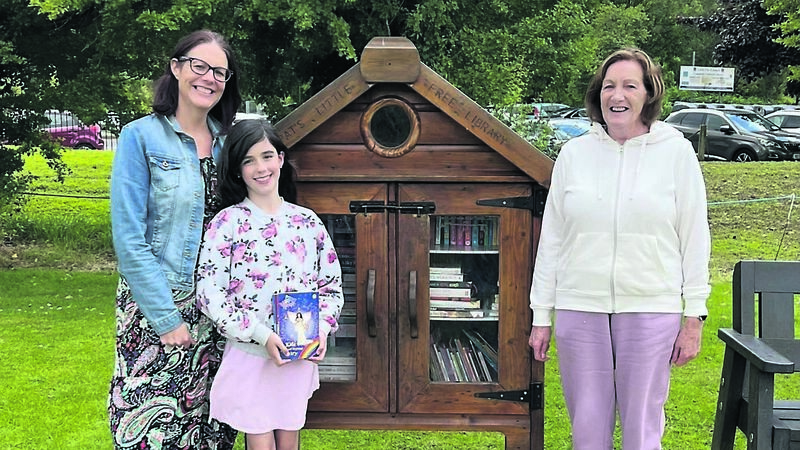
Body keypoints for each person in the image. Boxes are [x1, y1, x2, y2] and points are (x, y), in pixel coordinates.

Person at [527, 48, 710, 450]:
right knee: (588, 429)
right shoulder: (574, 154)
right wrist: (542, 314)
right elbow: (553, 238)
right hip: (580, 308)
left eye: (630, 85)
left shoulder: (676, 153)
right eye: (609, 85)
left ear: (648, 94)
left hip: (651, 308)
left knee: (642, 430)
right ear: (598, 94)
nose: (617, 94)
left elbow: (695, 236)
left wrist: (694, 315)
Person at [108, 30, 242, 450]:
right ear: (177, 68)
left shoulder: (229, 145)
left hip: (218, 308)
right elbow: (129, 237)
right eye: (199, 66)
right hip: (159, 305)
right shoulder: (141, 137)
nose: (209, 78)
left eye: (220, 72)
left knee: (213, 428)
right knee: (151, 430)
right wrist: (166, 318)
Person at [196, 119, 344, 450]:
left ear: (280, 158)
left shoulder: (307, 222)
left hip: (297, 354)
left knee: (289, 438)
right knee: (260, 441)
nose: (260, 168)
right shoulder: (228, 223)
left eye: (266, 156)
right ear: (237, 170)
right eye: (248, 160)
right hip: (252, 353)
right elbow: (208, 292)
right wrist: (261, 335)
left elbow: (331, 287)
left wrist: (320, 332)